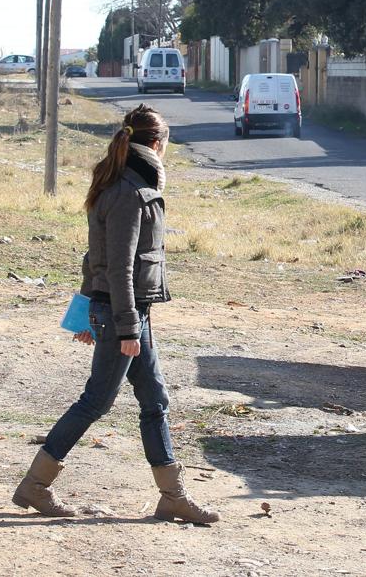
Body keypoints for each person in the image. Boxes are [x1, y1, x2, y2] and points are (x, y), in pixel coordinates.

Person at [12, 104, 220, 524]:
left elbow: (96, 259)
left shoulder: (124, 182)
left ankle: (172, 497)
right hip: (125, 315)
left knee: (155, 399)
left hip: (126, 312)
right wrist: (123, 326)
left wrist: (93, 310)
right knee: (95, 402)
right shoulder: (129, 192)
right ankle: (35, 486)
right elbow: (119, 266)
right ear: (158, 144)